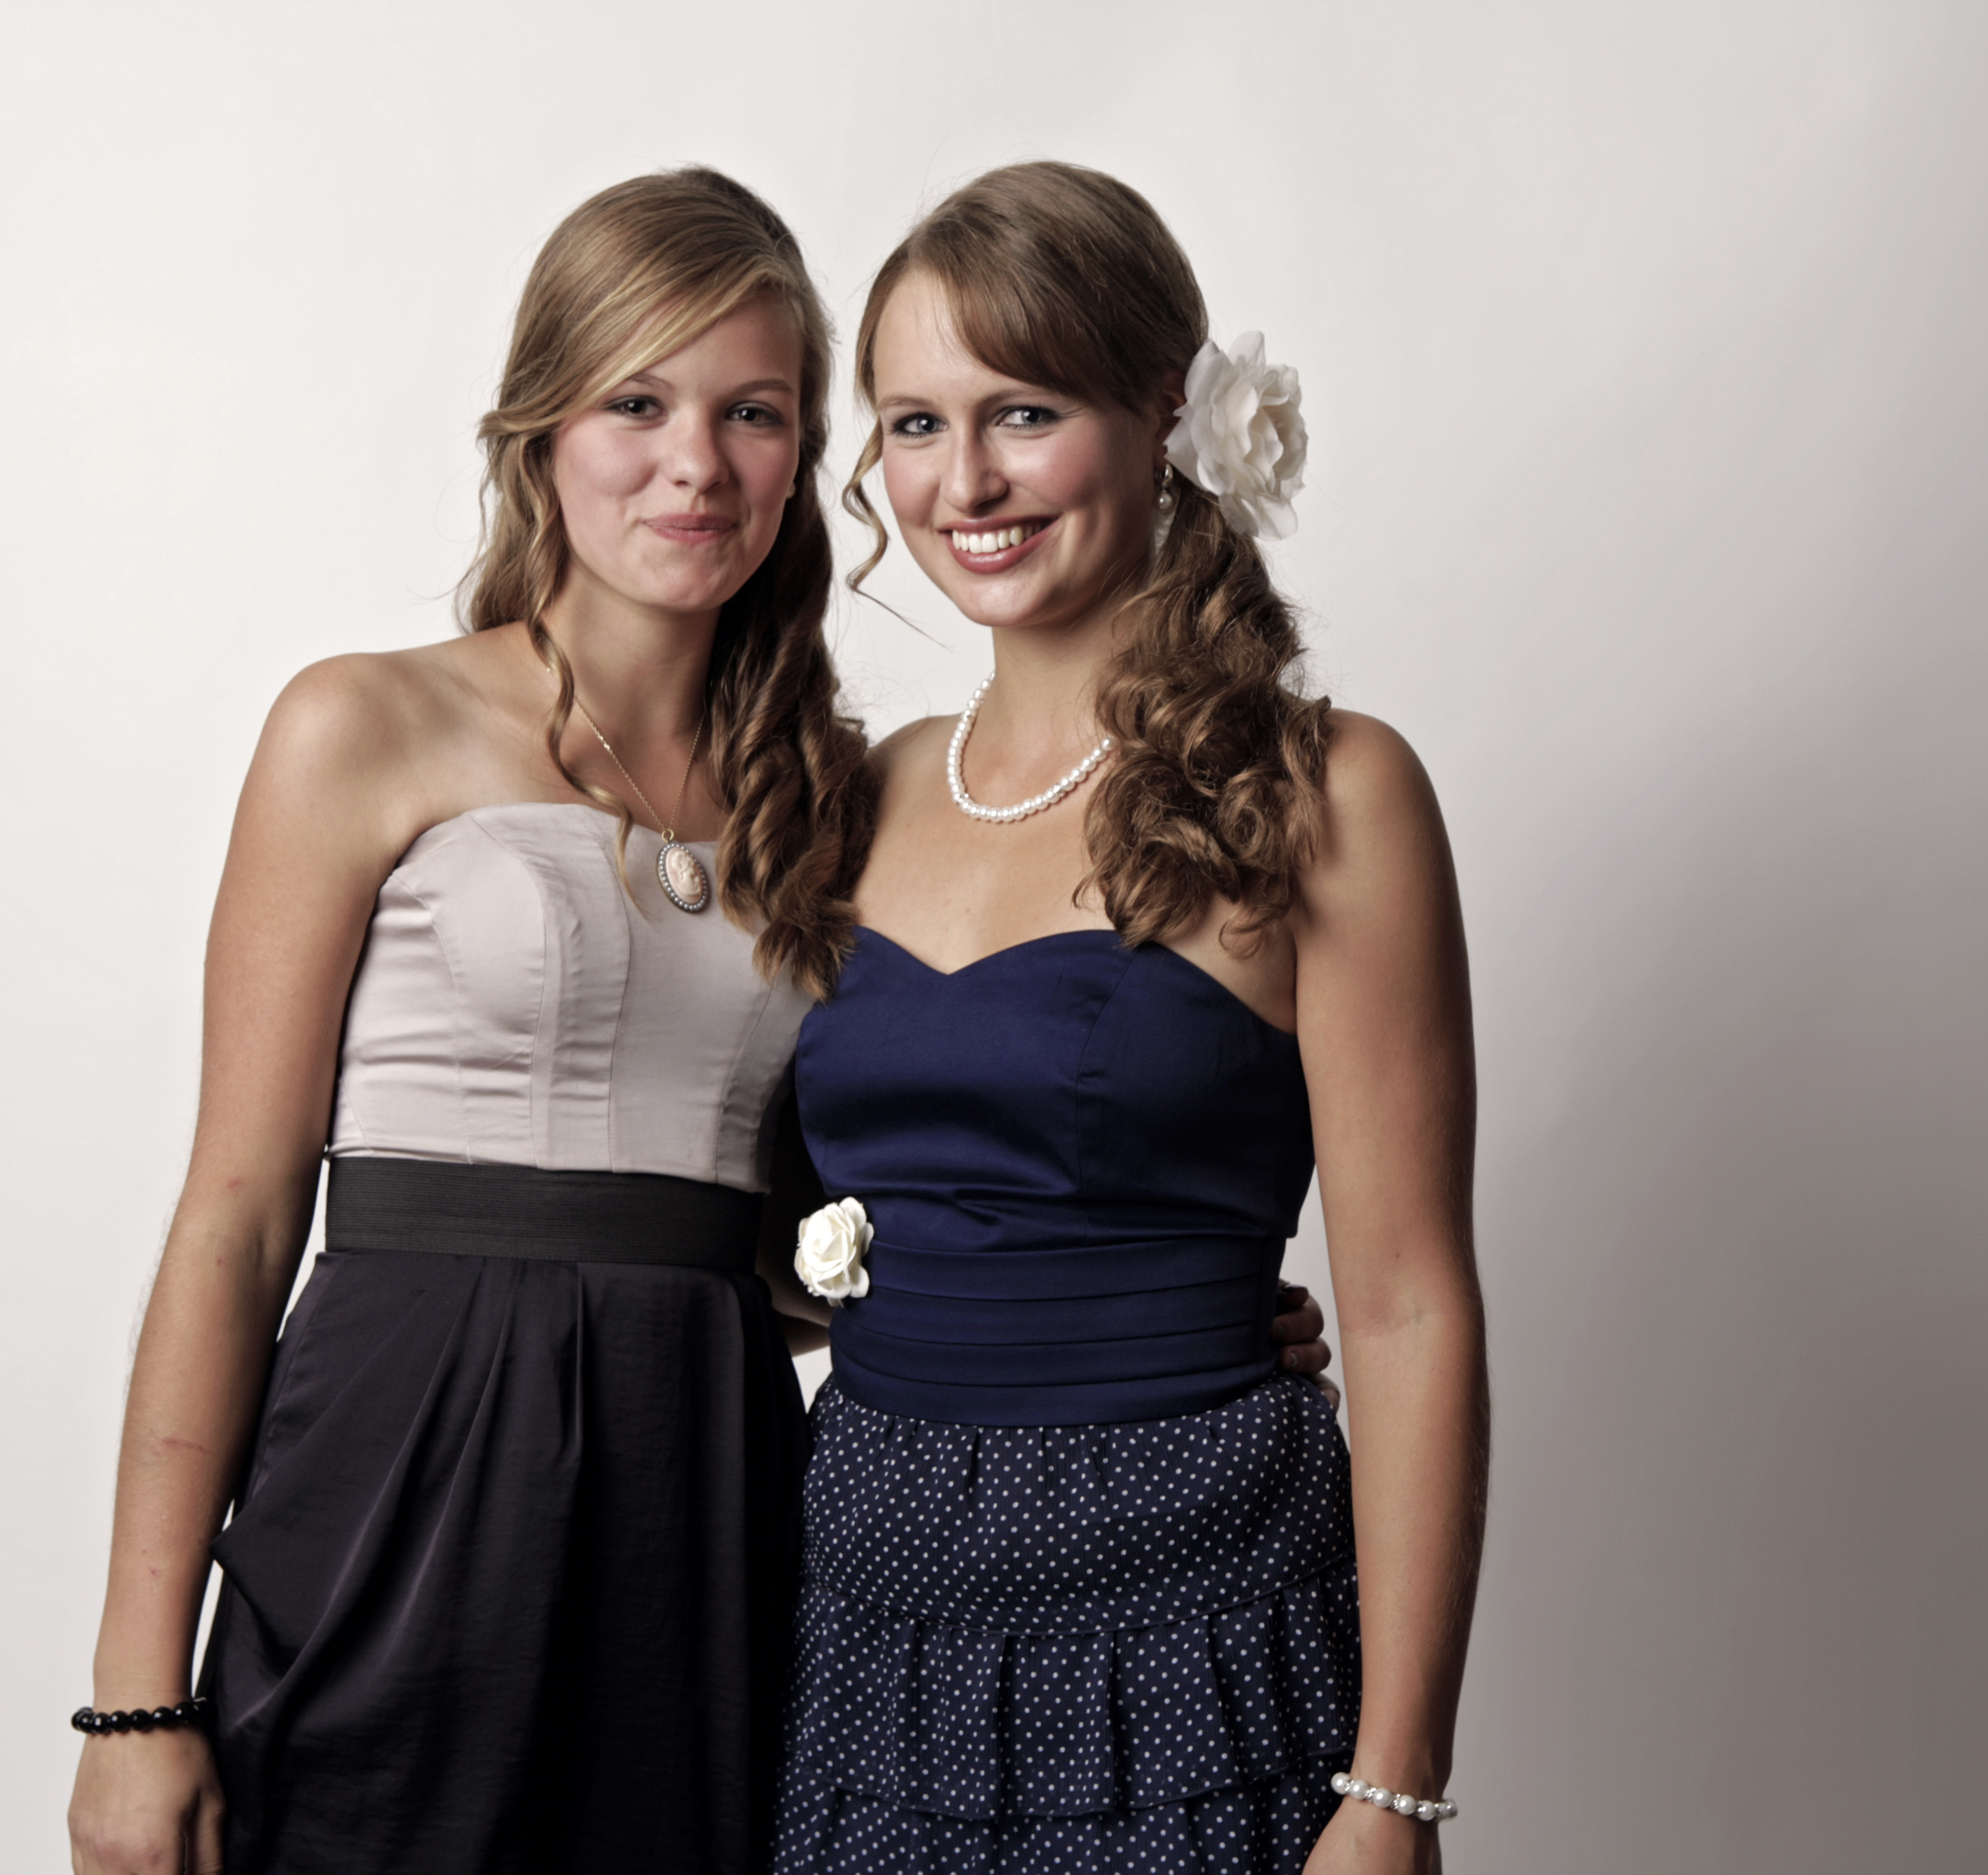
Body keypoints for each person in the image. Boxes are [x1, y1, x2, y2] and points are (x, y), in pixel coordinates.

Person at [65, 166, 1333, 1875]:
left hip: (711, 1483)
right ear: (540, 429)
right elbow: (232, 1220)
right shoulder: (361, 727)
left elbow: (831, 1231)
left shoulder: (842, 802)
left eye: (754, 412)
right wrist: (134, 1699)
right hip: (399, 1460)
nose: (696, 464)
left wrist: (1129, 1308)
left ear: (807, 456)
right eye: (636, 403)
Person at [770, 163, 1488, 1875]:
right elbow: (787, 1231)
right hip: (872, 1613)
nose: (966, 483)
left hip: (1198, 1611)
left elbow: (1405, 1307)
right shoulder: (857, 795)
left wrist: (1395, 1790)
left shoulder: (1325, 791)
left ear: (1168, 410)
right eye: (917, 425)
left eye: (1023, 412)